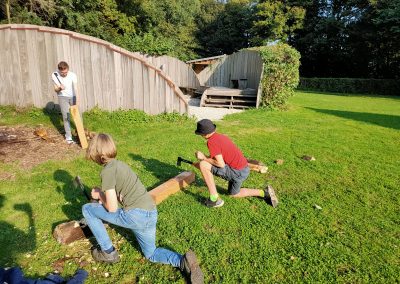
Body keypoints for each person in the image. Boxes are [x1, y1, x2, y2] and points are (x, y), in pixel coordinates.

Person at [82, 133, 204, 284]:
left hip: (135, 216)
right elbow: (120, 197)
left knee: (87, 209)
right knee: (151, 253)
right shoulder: (121, 165)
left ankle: (108, 252)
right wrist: (105, 197)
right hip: (150, 213)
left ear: (97, 155)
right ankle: (182, 262)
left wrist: (99, 194)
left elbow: (112, 208)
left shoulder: (107, 171)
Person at [193, 119, 278, 208]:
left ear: (204, 134)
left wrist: (203, 158)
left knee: (203, 164)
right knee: (233, 194)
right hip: (244, 169)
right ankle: (264, 193)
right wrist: (205, 159)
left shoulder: (211, 142)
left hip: (237, 172)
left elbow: (220, 164)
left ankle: (214, 199)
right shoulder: (221, 137)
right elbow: (216, 159)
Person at [51, 61, 79, 144]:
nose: (64, 74)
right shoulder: (55, 75)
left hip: (73, 97)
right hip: (63, 97)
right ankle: (69, 137)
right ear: (59, 71)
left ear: (68, 69)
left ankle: (80, 135)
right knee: (66, 117)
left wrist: (77, 101)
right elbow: (55, 90)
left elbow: (76, 88)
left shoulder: (72, 75)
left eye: (66, 72)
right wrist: (60, 88)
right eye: (62, 73)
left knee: (77, 116)